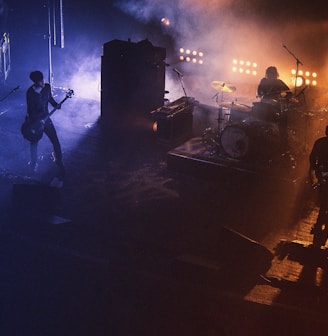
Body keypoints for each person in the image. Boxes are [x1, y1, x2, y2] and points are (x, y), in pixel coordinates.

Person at [26, 70, 65, 179]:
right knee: (34, 143)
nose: (43, 82)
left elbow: (50, 99)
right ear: (35, 82)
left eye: (43, 79)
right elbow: (30, 110)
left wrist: (55, 105)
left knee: (55, 141)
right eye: (40, 81)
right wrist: (37, 122)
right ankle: (33, 163)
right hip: (36, 122)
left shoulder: (47, 87)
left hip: (47, 121)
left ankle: (59, 161)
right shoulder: (30, 93)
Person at [255, 66, 292, 149]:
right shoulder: (264, 81)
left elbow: (289, 92)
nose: (271, 75)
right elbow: (259, 92)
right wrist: (262, 94)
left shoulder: (278, 82)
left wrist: (283, 97)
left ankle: (282, 140)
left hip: (274, 106)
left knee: (283, 119)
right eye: (270, 73)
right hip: (264, 106)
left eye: (272, 73)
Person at [309, 126, 328, 243]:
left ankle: (319, 224)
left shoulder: (319, 142)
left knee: (323, 201)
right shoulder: (320, 143)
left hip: (322, 176)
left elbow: (312, 158)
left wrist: (315, 168)